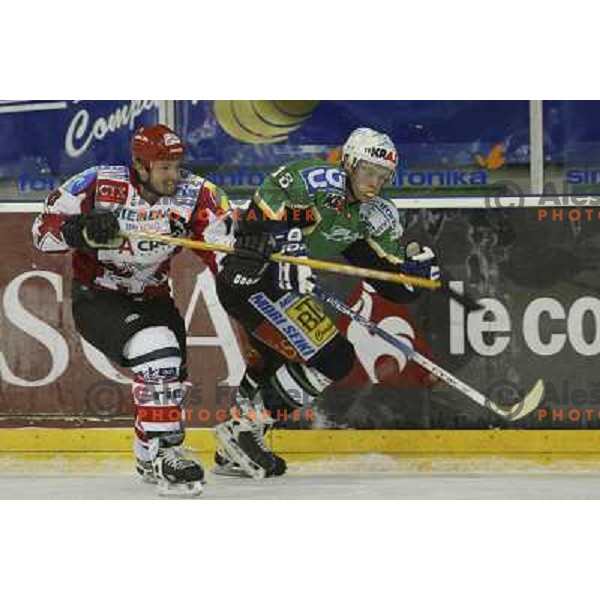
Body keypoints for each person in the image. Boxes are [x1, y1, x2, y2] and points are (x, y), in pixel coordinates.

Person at [214, 127, 440, 479]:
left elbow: (386, 277)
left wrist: (414, 279)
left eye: (383, 176)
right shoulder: (315, 183)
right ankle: (242, 428)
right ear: (349, 163)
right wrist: (288, 248)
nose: (374, 182)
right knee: (335, 359)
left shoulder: (372, 215)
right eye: (368, 171)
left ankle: (236, 441)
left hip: (282, 293)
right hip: (251, 280)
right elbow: (260, 219)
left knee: (273, 362)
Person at [32, 124, 232, 496]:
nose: (174, 175)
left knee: (168, 386)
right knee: (158, 353)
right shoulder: (97, 183)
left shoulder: (195, 194)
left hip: (155, 300)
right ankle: (164, 451)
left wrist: (245, 259)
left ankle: (147, 452)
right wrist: (79, 230)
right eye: (164, 168)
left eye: (177, 165)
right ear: (140, 166)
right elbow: (42, 231)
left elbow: (221, 248)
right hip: (100, 299)